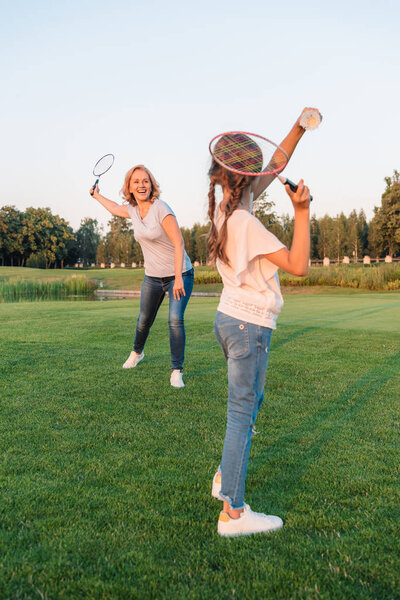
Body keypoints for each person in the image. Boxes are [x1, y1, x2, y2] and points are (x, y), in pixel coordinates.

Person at [208, 108, 317, 536]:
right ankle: (232, 513)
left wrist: (299, 127)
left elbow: (276, 163)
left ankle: (224, 477)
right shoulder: (245, 222)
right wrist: (303, 210)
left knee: (248, 406)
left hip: (229, 319)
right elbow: (298, 265)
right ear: (245, 176)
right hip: (248, 325)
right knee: (242, 414)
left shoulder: (226, 208)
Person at [90, 164, 193, 388]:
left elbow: (179, 242)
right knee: (144, 320)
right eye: (136, 182)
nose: (141, 185)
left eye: (145, 181)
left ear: (151, 184)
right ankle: (137, 353)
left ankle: (177, 370)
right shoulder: (133, 210)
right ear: (130, 187)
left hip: (180, 273)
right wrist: (97, 196)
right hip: (153, 277)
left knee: (175, 320)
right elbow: (115, 208)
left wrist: (177, 278)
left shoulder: (161, 208)